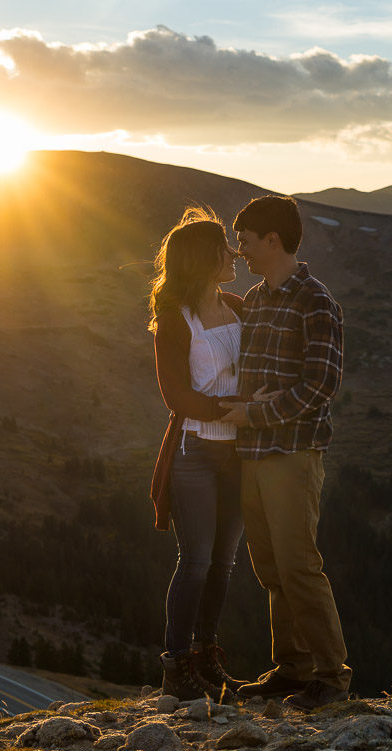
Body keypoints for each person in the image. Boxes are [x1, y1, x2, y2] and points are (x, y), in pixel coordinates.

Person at [219, 195, 352, 710]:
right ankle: (293, 668)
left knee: (298, 564)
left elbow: (321, 385)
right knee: (271, 566)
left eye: (247, 242)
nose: (242, 251)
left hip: (292, 453)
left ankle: (332, 678)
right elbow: (259, 380)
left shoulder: (317, 302)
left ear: (272, 240)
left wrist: (256, 413)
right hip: (254, 453)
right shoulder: (256, 298)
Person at [148, 207, 261, 701]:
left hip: (237, 454)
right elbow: (175, 395)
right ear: (203, 259)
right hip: (195, 450)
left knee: (224, 563)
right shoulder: (176, 320)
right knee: (194, 562)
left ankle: (206, 655)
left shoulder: (239, 306)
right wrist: (230, 411)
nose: (234, 254)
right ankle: (176, 667)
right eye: (225, 248)